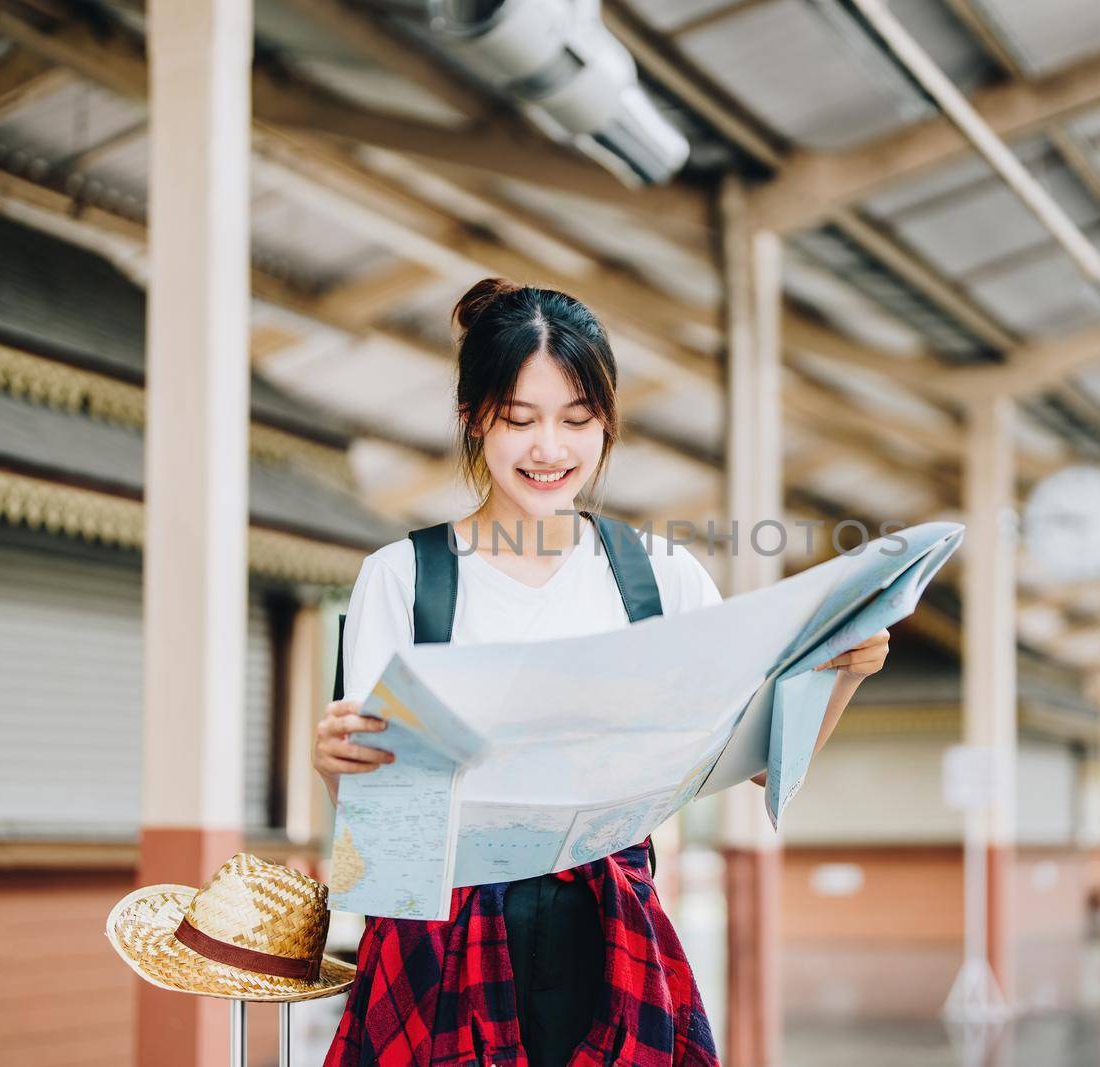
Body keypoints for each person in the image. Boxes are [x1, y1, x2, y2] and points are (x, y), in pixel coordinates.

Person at [314, 278, 890, 1067]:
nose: (550, 449)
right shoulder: (404, 577)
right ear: (471, 418)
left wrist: (843, 676)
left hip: (609, 936)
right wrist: (337, 773)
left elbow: (760, 765)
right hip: (442, 946)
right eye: (519, 420)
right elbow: (384, 834)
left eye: (577, 421)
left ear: (608, 424)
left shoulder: (659, 576)